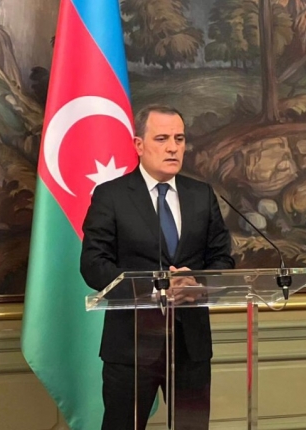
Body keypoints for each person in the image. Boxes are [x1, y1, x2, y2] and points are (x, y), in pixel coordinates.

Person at [80, 104, 235, 430]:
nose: (173, 148)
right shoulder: (112, 196)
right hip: (131, 346)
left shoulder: (201, 195)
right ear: (139, 145)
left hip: (190, 345)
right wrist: (154, 288)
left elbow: (222, 258)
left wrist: (197, 283)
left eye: (179, 139)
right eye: (162, 139)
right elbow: (94, 265)